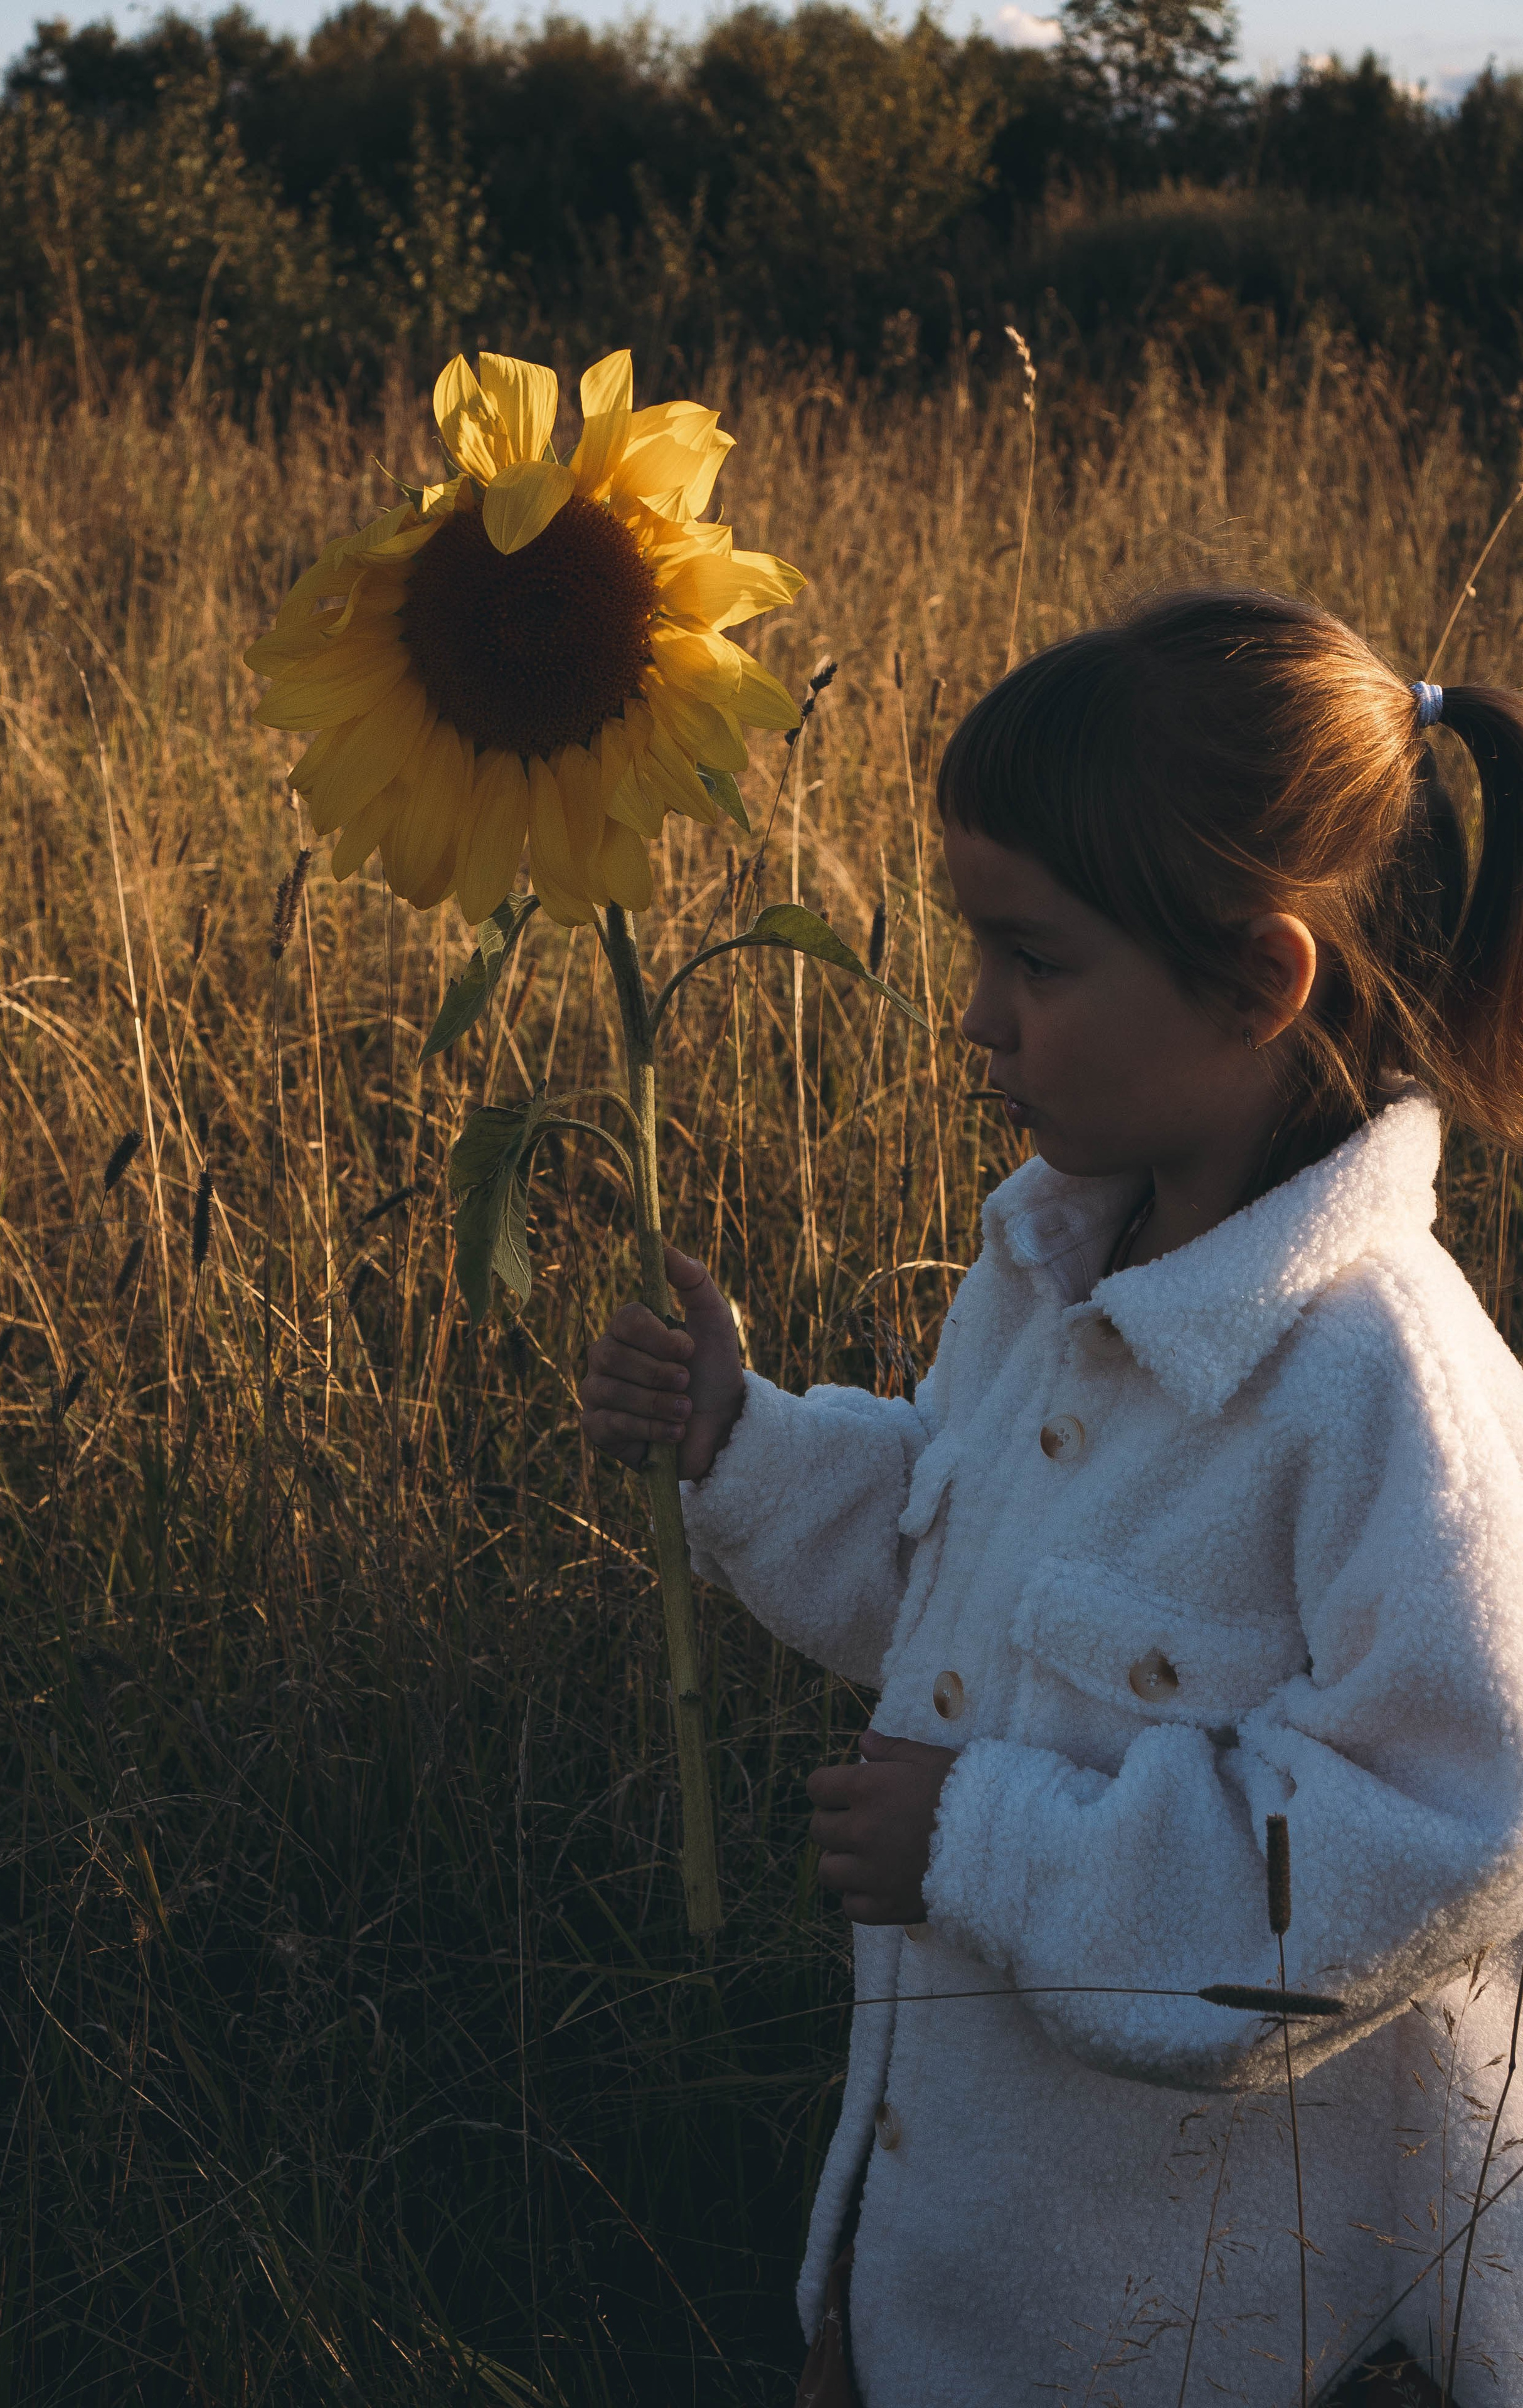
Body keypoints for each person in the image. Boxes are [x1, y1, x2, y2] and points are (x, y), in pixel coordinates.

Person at [580, 588, 1523, 2406]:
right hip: (981, 2283)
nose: (977, 1017)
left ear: (1259, 980)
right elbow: (962, 1560)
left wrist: (982, 1844)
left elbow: (1449, 1831)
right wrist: (745, 1442)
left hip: (1240, 2338)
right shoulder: (1059, 1267)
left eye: (1036, 960)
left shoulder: (1385, 1386)